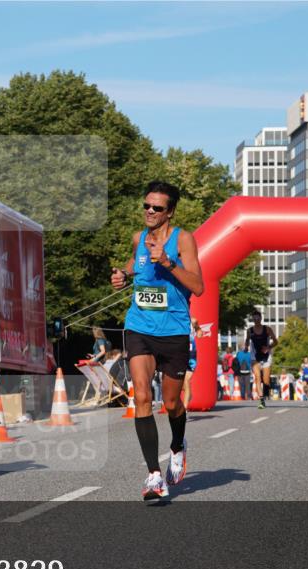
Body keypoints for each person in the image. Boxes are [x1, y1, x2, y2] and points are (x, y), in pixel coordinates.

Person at [111, 181, 204, 502]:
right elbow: (135, 267)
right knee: (140, 395)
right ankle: (153, 475)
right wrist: (123, 277)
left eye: (157, 208)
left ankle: (178, 446)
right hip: (140, 327)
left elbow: (198, 286)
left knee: (172, 403)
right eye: (146, 206)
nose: (149, 212)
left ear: (170, 212)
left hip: (174, 332)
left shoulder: (184, 240)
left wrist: (167, 262)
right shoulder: (139, 239)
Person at [245, 310, 278, 409]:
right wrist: (246, 346)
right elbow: (247, 341)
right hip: (255, 357)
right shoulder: (249, 330)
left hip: (266, 356)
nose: (256, 320)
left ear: (261, 319)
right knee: (257, 377)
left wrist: (268, 347)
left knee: (266, 381)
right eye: (254, 319)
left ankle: (266, 391)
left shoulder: (267, 329)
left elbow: (276, 341)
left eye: (258, 318)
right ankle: (261, 399)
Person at [182, 317, 202, 410]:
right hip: (178, 356)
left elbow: (199, 334)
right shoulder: (173, 319)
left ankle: (184, 410)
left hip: (191, 356)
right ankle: (189, 394)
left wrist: (197, 330)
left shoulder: (193, 321)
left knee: (186, 380)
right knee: (181, 385)